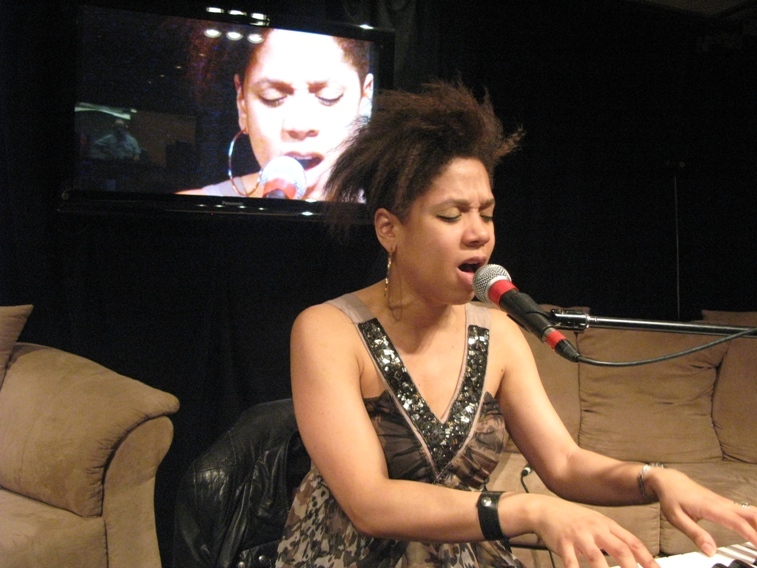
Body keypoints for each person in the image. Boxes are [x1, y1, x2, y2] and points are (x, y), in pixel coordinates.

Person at [274, 81, 757, 568]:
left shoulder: (499, 334)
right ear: (389, 229)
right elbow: (370, 503)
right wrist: (530, 510)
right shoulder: (329, 331)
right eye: (451, 215)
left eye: (486, 214)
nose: (478, 233)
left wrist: (654, 479)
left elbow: (564, 463)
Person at [178, 27, 374, 200]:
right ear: (242, 105)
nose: (299, 125)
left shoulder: (388, 211)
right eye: (272, 97)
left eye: (328, 96)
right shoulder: (189, 213)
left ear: (365, 100)